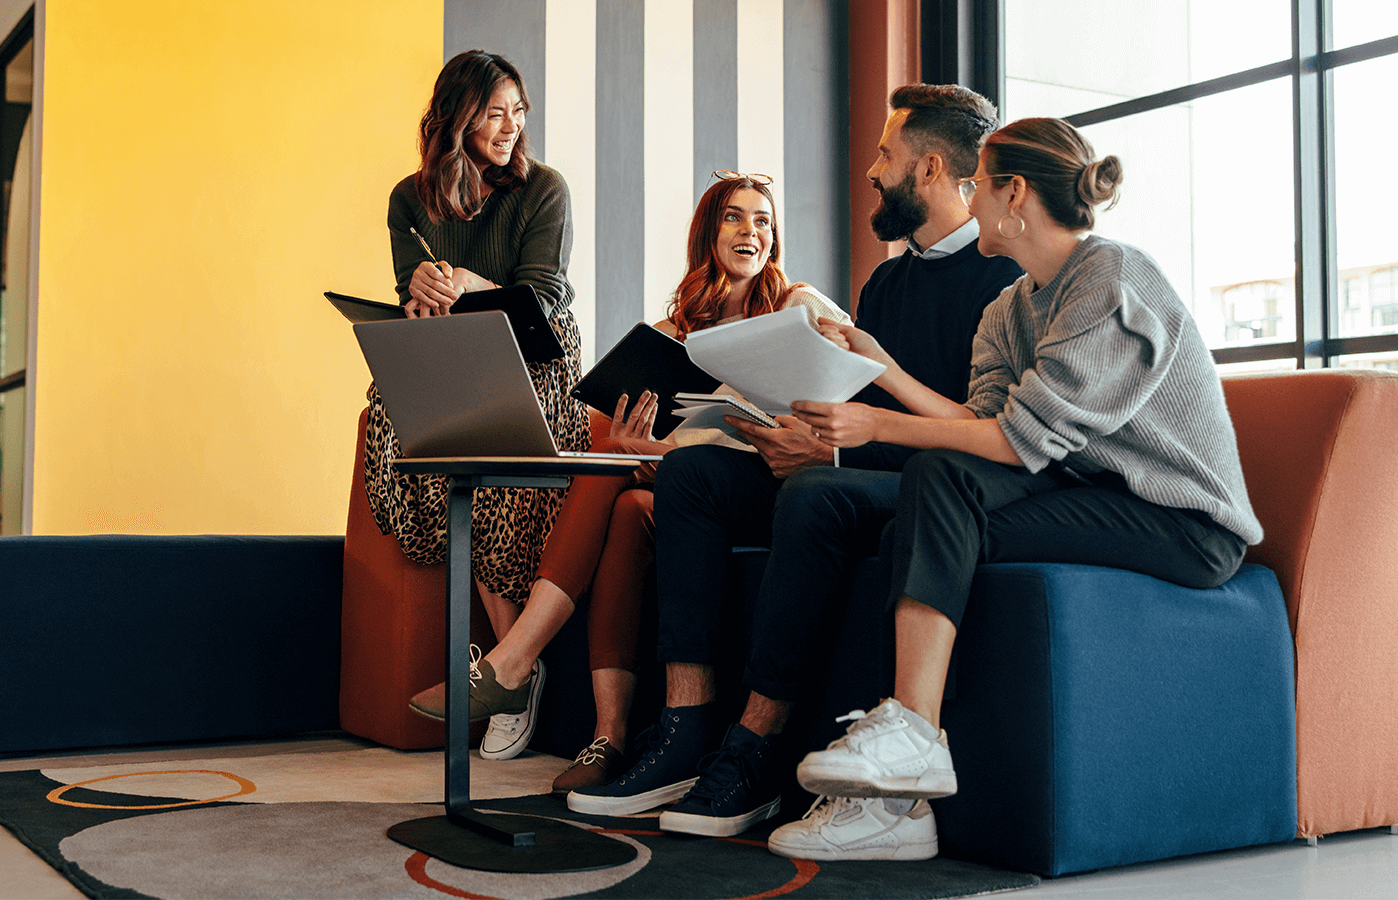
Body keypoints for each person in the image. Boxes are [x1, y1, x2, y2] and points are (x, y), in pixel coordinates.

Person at [762, 117, 1263, 861]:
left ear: (1013, 193)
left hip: (1183, 522)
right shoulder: (1010, 307)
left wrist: (876, 425)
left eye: (978, 184)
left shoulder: (1111, 279)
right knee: (915, 522)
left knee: (936, 482)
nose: (967, 199)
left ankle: (912, 738)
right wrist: (881, 369)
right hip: (1095, 496)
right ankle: (898, 809)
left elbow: (1012, 443)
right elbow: (982, 421)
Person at [568, 84, 1023, 839]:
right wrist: (799, 435)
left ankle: (753, 752)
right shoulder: (885, 283)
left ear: (932, 168)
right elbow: (845, 398)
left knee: (813, 494)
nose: (872, 171)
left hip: (935, 487)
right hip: (853, 464)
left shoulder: (1001, 282)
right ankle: (684, 730)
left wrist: (831, 452)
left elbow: (976, 435)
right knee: (691, 478)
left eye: (885, 154)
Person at [408, 171, 851, 792]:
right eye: (734, 217)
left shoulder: (796, 305)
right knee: (619, 487)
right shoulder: (673, 335)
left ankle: (512, 662)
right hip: (689, 488)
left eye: (762, 220)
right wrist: (637, 450)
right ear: (708, 233)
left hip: (773, 484)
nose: (750, 230)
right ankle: (607, 738)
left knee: (624, 482)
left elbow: (846, 388)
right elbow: (667, 448)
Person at [365, 50, 587, 752]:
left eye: (518, 111)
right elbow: (412, 291)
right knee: (393, 416)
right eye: (495, 112)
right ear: (456, 117)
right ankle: (511, 669)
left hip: (535, 354)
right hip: (455, 349)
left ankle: (507, 669)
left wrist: (468, 282)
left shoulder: (544, 188)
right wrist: (420, 295)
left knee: (487, 467)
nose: (511, 126)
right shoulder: (410, 197)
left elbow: (544, 300)